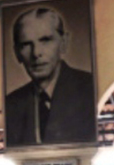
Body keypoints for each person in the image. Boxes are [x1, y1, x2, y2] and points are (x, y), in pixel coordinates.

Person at [5, 7, 96, 147]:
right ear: (17, 52)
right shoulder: (11, 105)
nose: (36, 53)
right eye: (26, 44)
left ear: (63, 43)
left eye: (45, 40)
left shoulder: (89, 89)